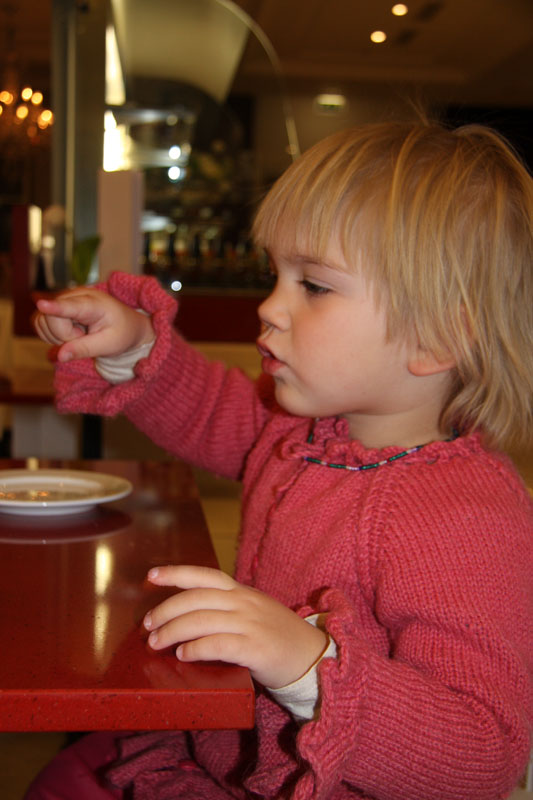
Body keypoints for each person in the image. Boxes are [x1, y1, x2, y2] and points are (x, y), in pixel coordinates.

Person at [27, 120, 533, 800]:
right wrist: (133, 349)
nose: (269, 307)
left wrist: (309, 666)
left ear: (438, 336)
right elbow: (217, 412)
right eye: (276, 276)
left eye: (313, 286)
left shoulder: (464, 517)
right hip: (221, 749)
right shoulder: (307, 433)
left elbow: (481, 754)